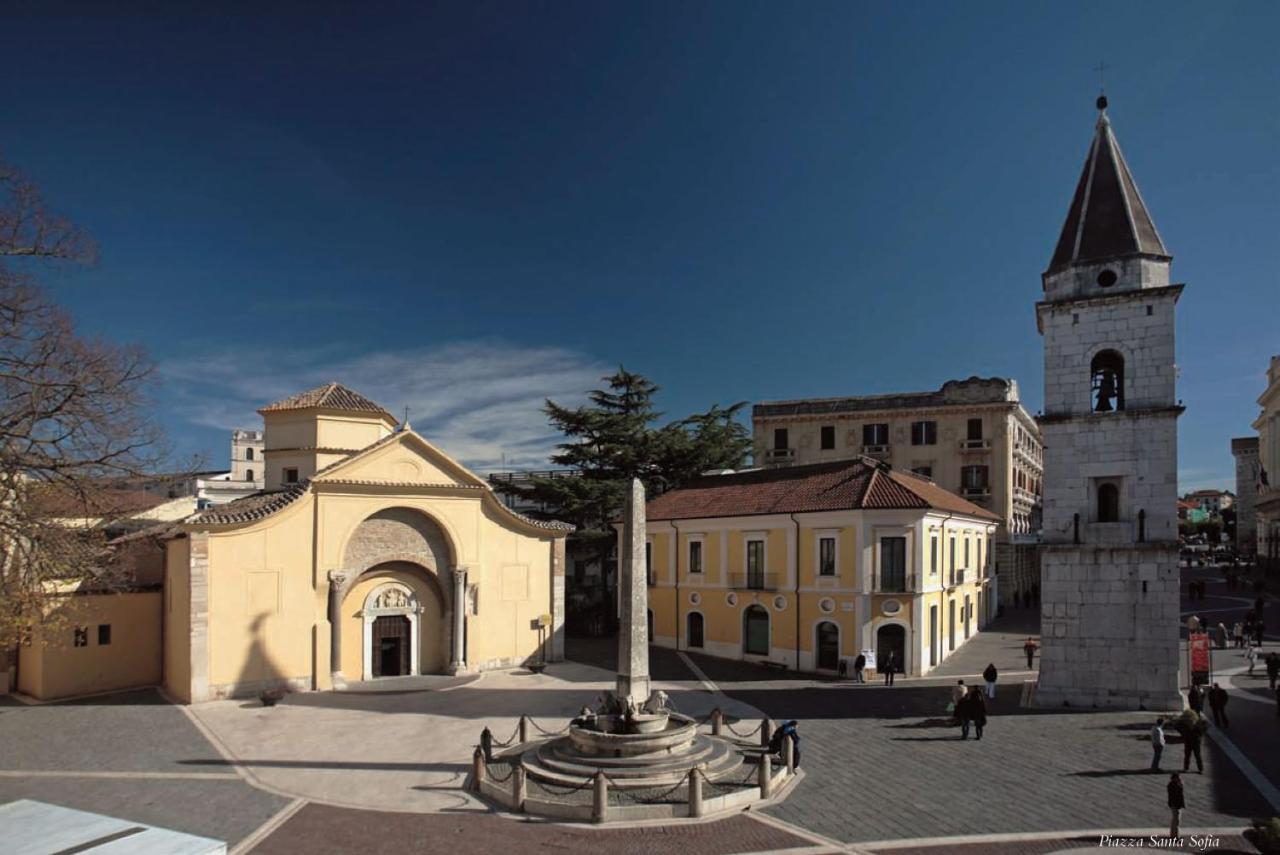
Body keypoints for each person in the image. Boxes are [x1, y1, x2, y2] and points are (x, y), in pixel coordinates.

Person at [1168, 773, 1185, 838]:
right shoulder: (1176, 785)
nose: (1180, 779)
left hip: (1174, 804)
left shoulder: (1171, 784)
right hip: (1177, 805)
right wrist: (1181, 786)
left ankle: (1173, 835)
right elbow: (1179, 795)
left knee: (1174, 821)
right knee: (1176, 822)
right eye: (1179, 778)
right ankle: (1176, 836)